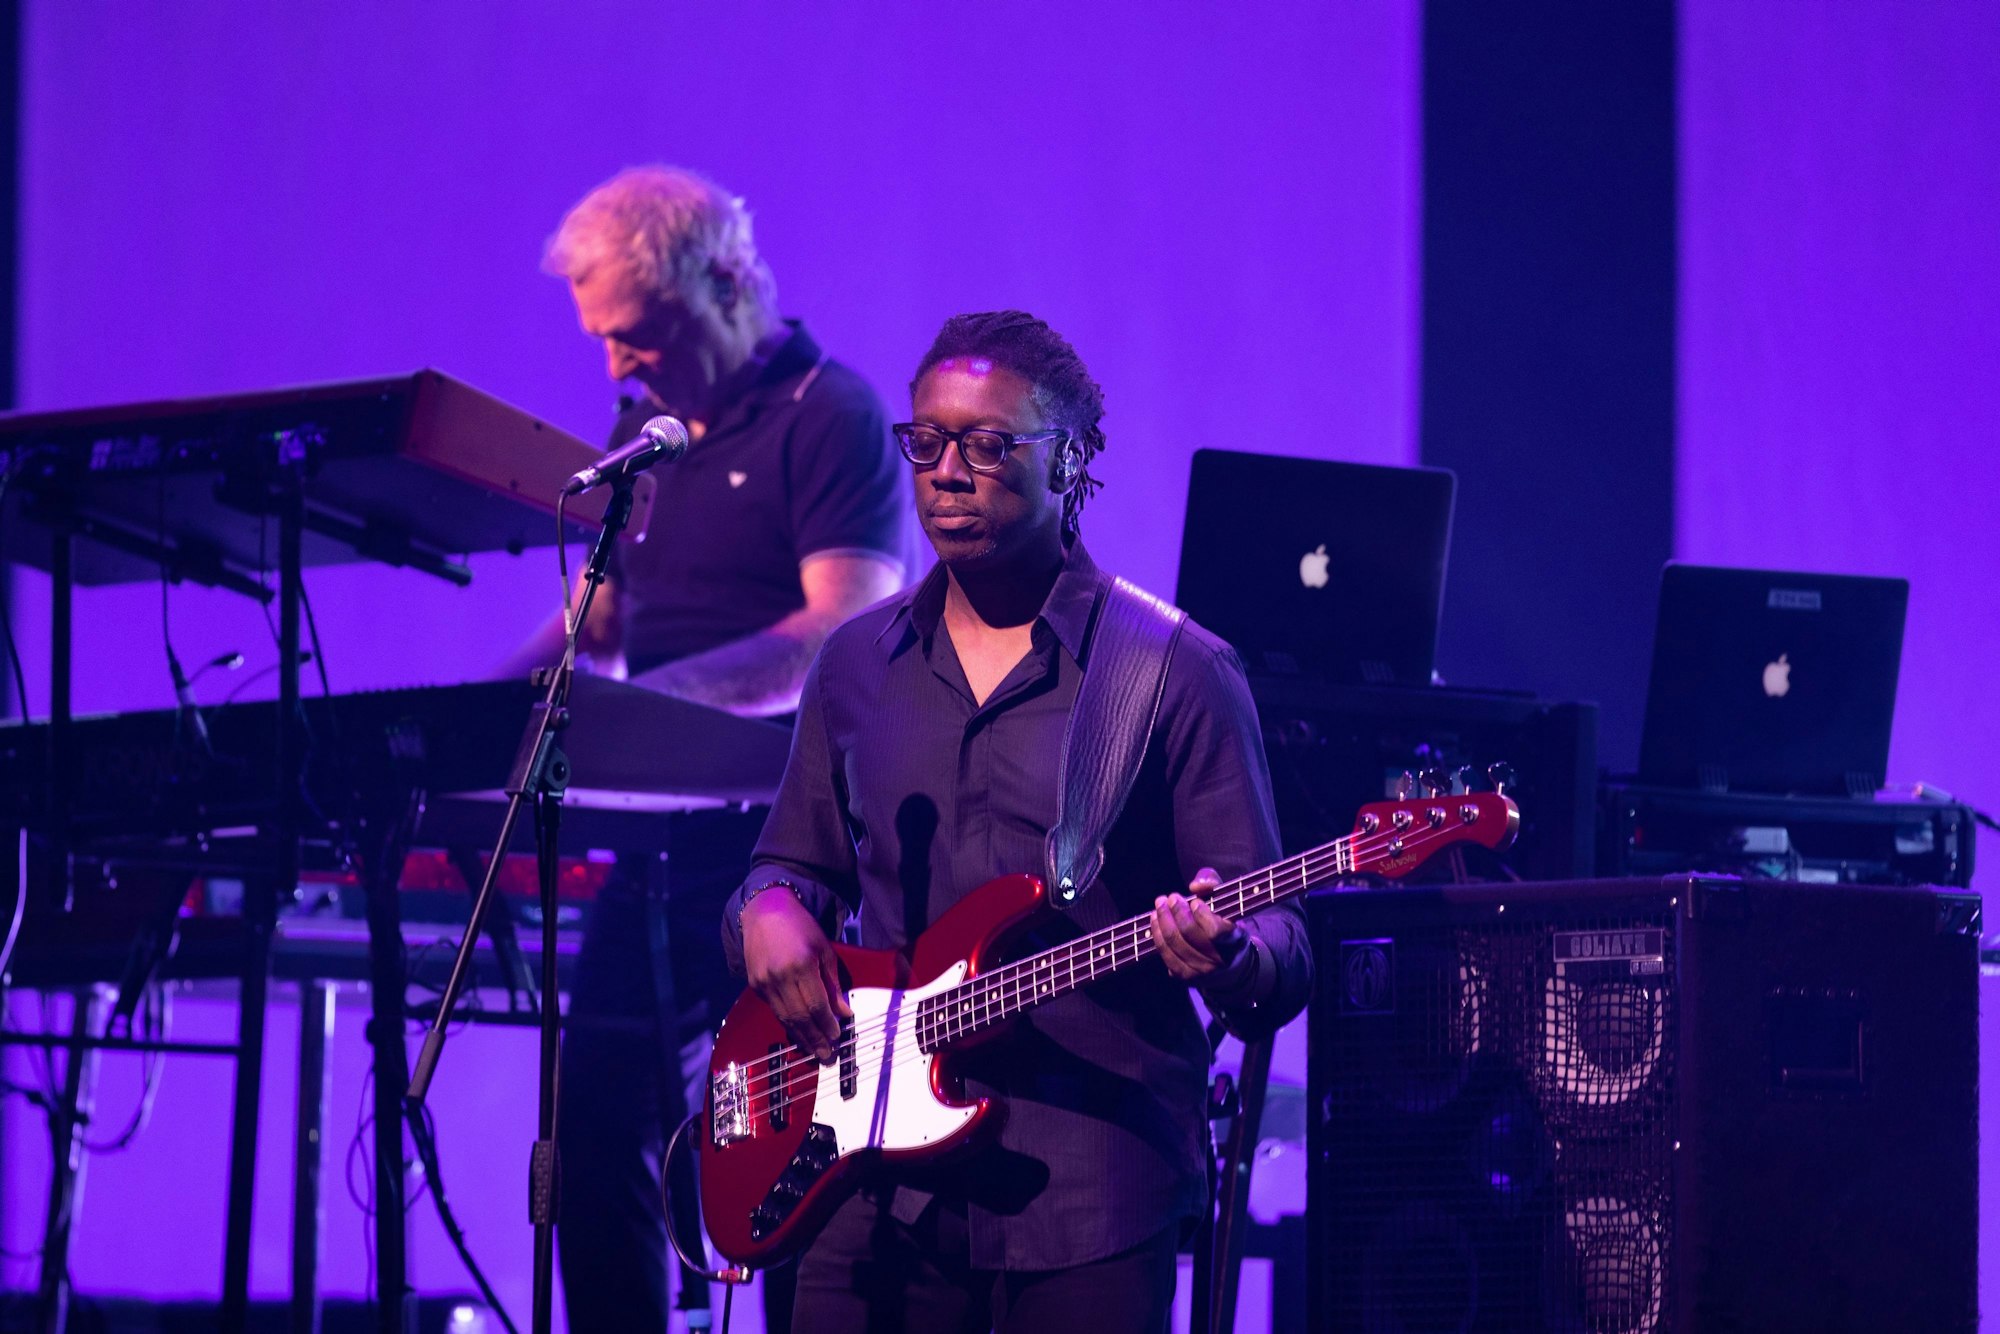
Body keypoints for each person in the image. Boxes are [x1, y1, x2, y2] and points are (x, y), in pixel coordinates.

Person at [723, 311, 1313, 1332]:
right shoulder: (856, 665)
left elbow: (1279, 943)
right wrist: (766, 905)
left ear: (1072, 461)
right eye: (926, 440)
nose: (947, 469)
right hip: (866, 1191)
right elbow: (789, 861)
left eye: (988, 444)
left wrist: (1225, 956)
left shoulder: (1173, 671)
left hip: (1088, 1199)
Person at [505, 166, 910, 1332]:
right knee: (592, 1126)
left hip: (790, 842)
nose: (616, 367)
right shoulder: (647, 429)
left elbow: (835, 625)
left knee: (791, 1146)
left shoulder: (830, 411)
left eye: (636, 336)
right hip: (663, 835)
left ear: (724, 283)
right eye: (603, 341)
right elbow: (608, 614)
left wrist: (656, 712)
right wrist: (482, 703)